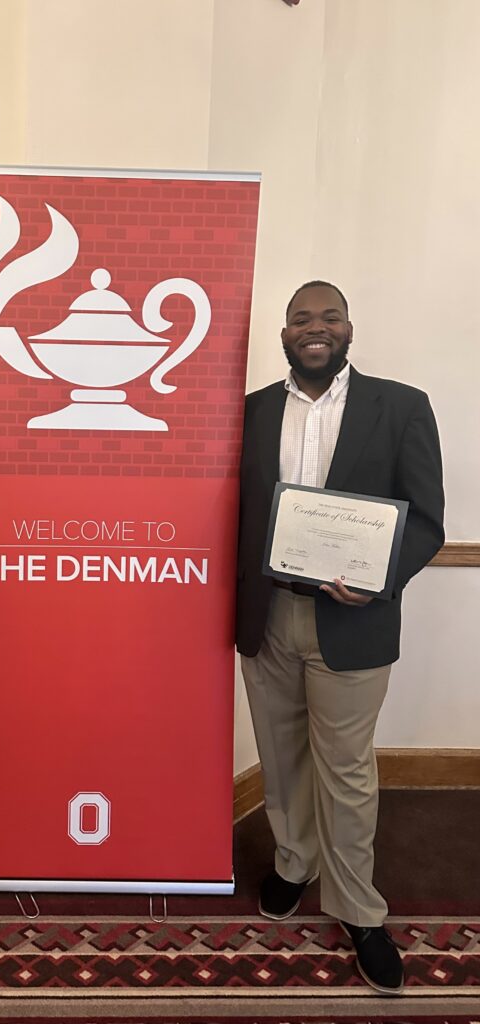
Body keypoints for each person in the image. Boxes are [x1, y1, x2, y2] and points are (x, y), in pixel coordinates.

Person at [237, 281, 444, 995]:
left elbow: (424, 520)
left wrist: (377, 578)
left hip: (352, 618)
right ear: (285, 333)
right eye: (301, 319)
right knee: (280, 754)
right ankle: (294, 861)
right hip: (268, 615)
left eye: (328, 317)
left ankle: (358, 909)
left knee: (347, 770)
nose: (314, 328)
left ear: (349, 328)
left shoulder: (402, 406)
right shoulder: (253, 411)